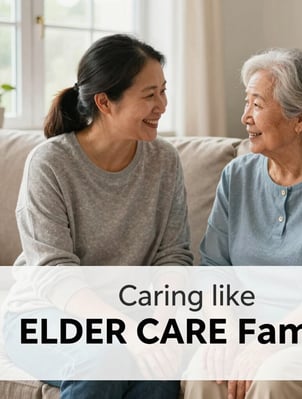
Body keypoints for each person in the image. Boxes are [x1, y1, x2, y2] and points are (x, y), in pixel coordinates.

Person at [2, 34, 193, 399]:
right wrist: (128, 334)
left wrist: (164, 328)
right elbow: (54, 272)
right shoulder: (50, 163)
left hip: (132, 317)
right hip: (44, 314)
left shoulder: (163, 161)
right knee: (103, 358)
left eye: (164, 91)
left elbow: (173, 255)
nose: (162, 105)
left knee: (161, 376)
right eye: (149, 95)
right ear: (105, 102)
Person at [183, 48, 302, 398]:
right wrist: (227, 334)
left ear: (299, 119)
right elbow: (214, 267)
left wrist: (268, 344)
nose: (245, 117)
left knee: (273, 378)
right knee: (203, 374)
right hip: (249, 328)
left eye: (257, 105)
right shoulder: (237, 176)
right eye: (247, 103)